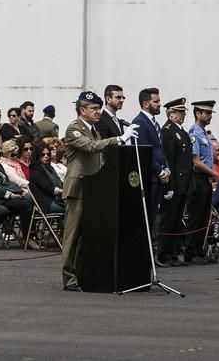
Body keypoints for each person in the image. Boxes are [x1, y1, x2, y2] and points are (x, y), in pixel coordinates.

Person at [62, 91, 138, 292]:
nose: (98, 112)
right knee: (72, 235)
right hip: (77, 187)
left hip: (94, 187)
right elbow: (91, 147)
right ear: (82, 110)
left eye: (98, 108)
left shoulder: (94, 129)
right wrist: (119, 139)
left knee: (89, 235)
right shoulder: (74, 129)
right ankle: (69, 278)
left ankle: (84, 274)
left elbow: (100, 158)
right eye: (94, 109)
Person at [132, 88, 170, 244]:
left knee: (154, 214)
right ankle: (144, 252)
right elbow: (144, 152)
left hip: (158, 176)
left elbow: (160, 149)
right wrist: (160, 171)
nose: (160, 104)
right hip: (150, 177)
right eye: (156, 101)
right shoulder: (140, 122)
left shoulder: (154, 123)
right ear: (146, 103)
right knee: (147, 215)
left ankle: (150, 252)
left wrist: (166, 168)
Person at [157, 98, 192, 267]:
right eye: (180, 112)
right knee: (168, 220)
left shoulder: (180, 131)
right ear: (171, 114)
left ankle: (171, 253)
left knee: (177, 221)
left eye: (183, 112)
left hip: (183, 184)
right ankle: (163, 254)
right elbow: (169, 159)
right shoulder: (168, 131)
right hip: (175, 183)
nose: (183, 115)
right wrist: (169, 186)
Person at [185, 100, 219, 265]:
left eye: (211, 113)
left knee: (204, 217)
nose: (210, 116)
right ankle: (190, 252)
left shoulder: (204, 133)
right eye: (207, 113)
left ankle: (199, 249)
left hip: (204, 179)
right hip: (197, 179)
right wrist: (213, 172)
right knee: (196, 217)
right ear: (198, 113)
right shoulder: (194, 133)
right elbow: (195, 161)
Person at [29, 142, 65, 215]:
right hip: (46, 203)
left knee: (76, 206)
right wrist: (63, 191)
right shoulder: (35, 170)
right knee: (73, 208)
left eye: (48, 154)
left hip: (56, 199)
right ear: (37, 155)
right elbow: (48, 188)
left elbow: (60, 183)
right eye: (43, 154)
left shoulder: (50, 168)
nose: (46, 156)